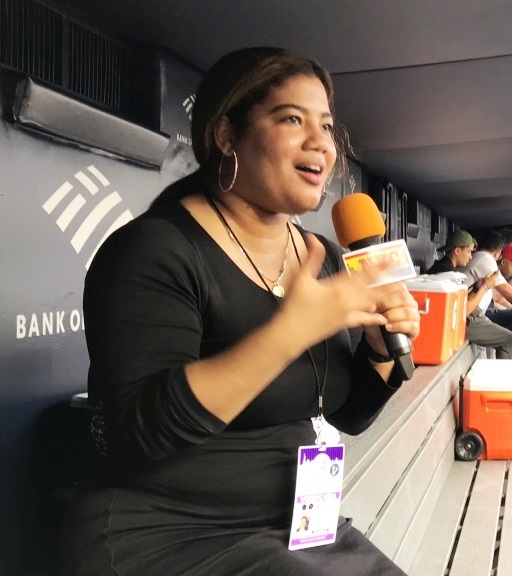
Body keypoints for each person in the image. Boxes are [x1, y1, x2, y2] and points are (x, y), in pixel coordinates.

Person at [56, 47, 420, 576]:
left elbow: (348, 414)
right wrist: (288, 333)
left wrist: (380, 348)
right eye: (292, 119)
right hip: (166, 535)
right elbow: (142, 432)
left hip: (297, 526)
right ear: (227, 135)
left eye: (326, 125)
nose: (321, 142)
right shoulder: (154, 249)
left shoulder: (321, 256)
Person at [456, 230, 512, 359]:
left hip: (473, 313)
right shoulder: (486, 258)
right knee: (510, 339)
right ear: (498, 253)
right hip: (468, 316)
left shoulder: (479, 257)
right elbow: (508, 293)